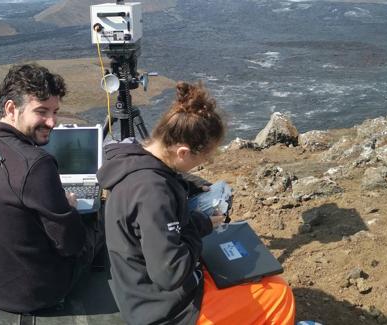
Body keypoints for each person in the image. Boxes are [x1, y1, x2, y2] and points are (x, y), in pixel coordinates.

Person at [97, 81, 295, 324]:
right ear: (182, 152)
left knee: (253, 276)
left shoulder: (133, 160)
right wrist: (199, 226)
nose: (203, 164)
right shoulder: (153, 193)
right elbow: (170, 273)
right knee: (279, 294)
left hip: (141, 292)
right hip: (166, 310)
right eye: (203, 158)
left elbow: (164, 181)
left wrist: (189, 187)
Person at [0, 63, 102, 323]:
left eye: (55, 111)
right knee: (97, 224)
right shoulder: (35, 163)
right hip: (36, 294)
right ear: (12, 109)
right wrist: (69, 208)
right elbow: (71, 244)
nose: (52, 121)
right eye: (41, 111)